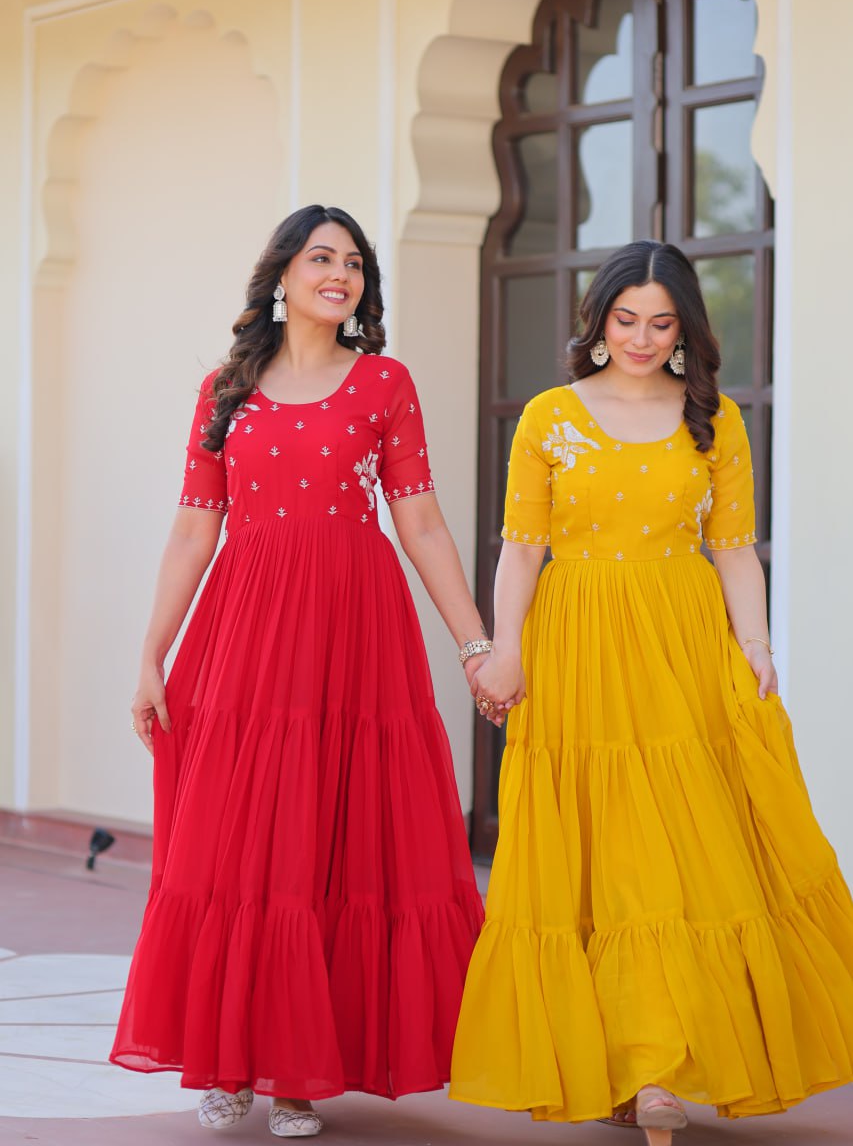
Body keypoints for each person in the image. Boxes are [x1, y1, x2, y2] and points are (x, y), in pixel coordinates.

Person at [449, 240, 853, 1145]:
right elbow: (519, 548)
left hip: (681, 644)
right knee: (600, 849)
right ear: (596, 323)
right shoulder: (549, 417)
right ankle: (625, 1067)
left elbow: (734, 550)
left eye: (660, 322)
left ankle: (662, 1065)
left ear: (685, 331)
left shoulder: (710, 418)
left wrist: (754, 645)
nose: (640, 337)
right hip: (576, 642)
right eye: (624, 319)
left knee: (684, 849)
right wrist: (500, 649)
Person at [110, 204, 487, 1138]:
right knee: (238, 842)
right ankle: (232, 1063)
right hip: (245, 635)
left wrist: (474, 642)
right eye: (321, 258)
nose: (340, 274)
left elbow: (422, 519)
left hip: (357, 634)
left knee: (335, 835)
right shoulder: (223, 391)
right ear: (280, 274)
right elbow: (196, 526)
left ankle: (296, 1078)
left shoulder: (385, 383)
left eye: (353, 263)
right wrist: (152, 652)